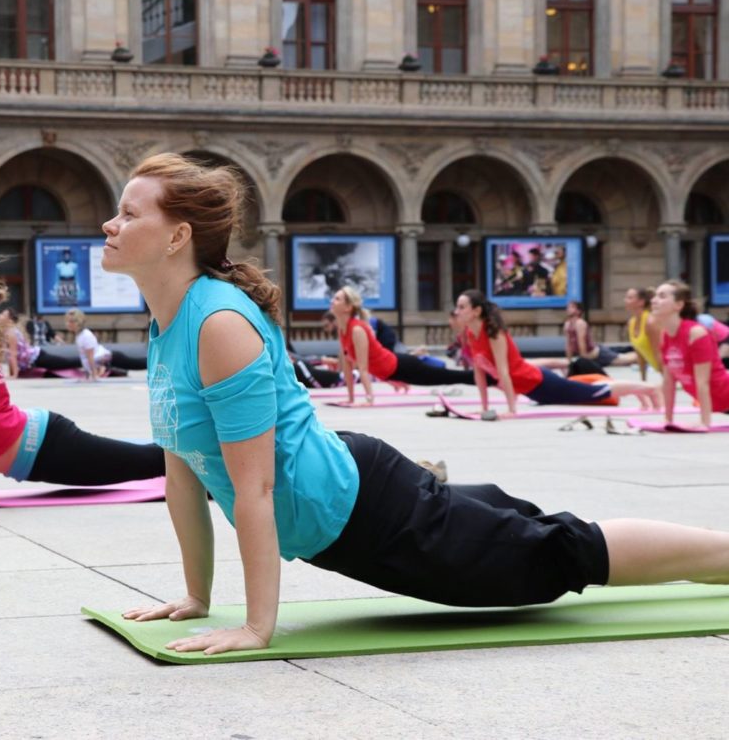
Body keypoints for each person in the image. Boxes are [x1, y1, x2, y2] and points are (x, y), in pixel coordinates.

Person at [102, 153, 729, 658]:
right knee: (506, 525)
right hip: (351, 497)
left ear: (177, 236)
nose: (111, 224)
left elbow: (255, 487)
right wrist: (195, 595)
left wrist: (257, 629)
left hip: (373, 514)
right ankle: (473, 502)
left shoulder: (217, 324)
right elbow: (182, 467)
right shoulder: (170, 320)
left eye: (128, 214)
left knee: (555, 556)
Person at [0, 251, 164, 506]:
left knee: (149, 461)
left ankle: (201, 463)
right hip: (34, 448)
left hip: (43, 445)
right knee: (145, 462)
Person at [456, 289, 659, 417]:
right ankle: (639, 391)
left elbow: (503, 371)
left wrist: (511, 410)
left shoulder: (493, 333)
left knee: (593, 392)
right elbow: (479, 373)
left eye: (462, 307)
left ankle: (647, 389)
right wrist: (484, 407)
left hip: (539, 382)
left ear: (476, 311)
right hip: (534, 391)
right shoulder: (471, 333)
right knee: (587, 389)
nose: (457, 311)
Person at [332, 285, 474, 404]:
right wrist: (350, 399)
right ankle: (481, 378)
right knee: (445, 377)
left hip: (401, 366)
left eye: (337, 299)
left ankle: (484, 378)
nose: (332, 301)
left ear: (348, 307)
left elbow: (363, 368)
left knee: (447, 376)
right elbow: (347, 366)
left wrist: (369, 399)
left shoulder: (357, 329)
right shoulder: (342, 328)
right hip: (392, 372)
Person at [651, 280, 729, 430]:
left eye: (662, 296)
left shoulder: (696, 333)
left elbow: (703, 381)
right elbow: (668, 382)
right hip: (722, 404)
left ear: (678, 305)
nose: (654, 300)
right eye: (655, 296)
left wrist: (704, 423)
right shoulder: (665, 336)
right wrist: (668, 420)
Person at [64, 307, 147, 379]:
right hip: (106, 362)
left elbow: (90, 356)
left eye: (71, 321)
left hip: (113, 358)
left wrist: (94, 374)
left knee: (138, 363)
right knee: (130, 367)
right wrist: (89, 374)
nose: (67, 324)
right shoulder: (79, 336)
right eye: (67, 321)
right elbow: (85, 358)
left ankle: (154, 360)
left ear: (78, 323)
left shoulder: (86, 335)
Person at [0, 308, 80, 377]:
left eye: (3, 314)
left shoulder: (11, 333)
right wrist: (12, 374)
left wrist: (14, 375)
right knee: (62, 364)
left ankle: (86, 360)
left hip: (37, 357)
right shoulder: (7, 332)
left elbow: (13, 355)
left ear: (9, 319)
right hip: (35, 360)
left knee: (66, 363)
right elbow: (9, 356)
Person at [563, 300, 636, 375]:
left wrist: (583, 362)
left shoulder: (580, 323)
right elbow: (568, 345)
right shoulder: (567, 324)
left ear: (578, 311)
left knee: (624, 360)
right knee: (620, 360)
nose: (568, 309)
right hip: (591, 358)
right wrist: (569, 362)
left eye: (571, 307)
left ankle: (640, 355)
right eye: (568, 307)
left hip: (599, 354)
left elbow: (582, 344)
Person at [625, 287, 662, 380]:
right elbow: (640, 354)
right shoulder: (631, 323)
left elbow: (659, 353)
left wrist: (667, 381)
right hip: (662, 372)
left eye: (630, 298)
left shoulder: (650, 322)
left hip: (672, 374)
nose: (625, 300)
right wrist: (643, 380)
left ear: (641, 302)